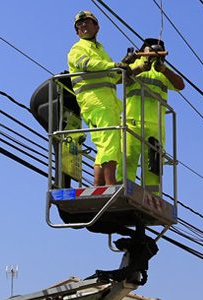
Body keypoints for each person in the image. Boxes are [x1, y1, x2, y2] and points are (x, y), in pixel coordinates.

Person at [67, 10, 135, 186]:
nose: (82, 26)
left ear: (97, 27)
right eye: (79, 25)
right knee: (109, 145)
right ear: (76, 32)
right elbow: (87, 65)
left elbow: (111, 76)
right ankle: (110, 186)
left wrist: (128, 68)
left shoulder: (100, 50)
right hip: (95, 102)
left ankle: (98, 185)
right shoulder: (78, 49)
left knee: (106, 146)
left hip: (107, 103)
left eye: (86, 22)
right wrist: (115, 65)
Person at [117, 38, 185, 194]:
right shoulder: (134, 64)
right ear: (143, 51)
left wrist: (164, 69)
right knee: (127, 160)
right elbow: (118, 78)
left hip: (155, 128)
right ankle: (123, 192)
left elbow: (180, 85)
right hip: (131, 122)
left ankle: (152, 198)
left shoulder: (161, 71)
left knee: (153, 169)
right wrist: (140, 67)